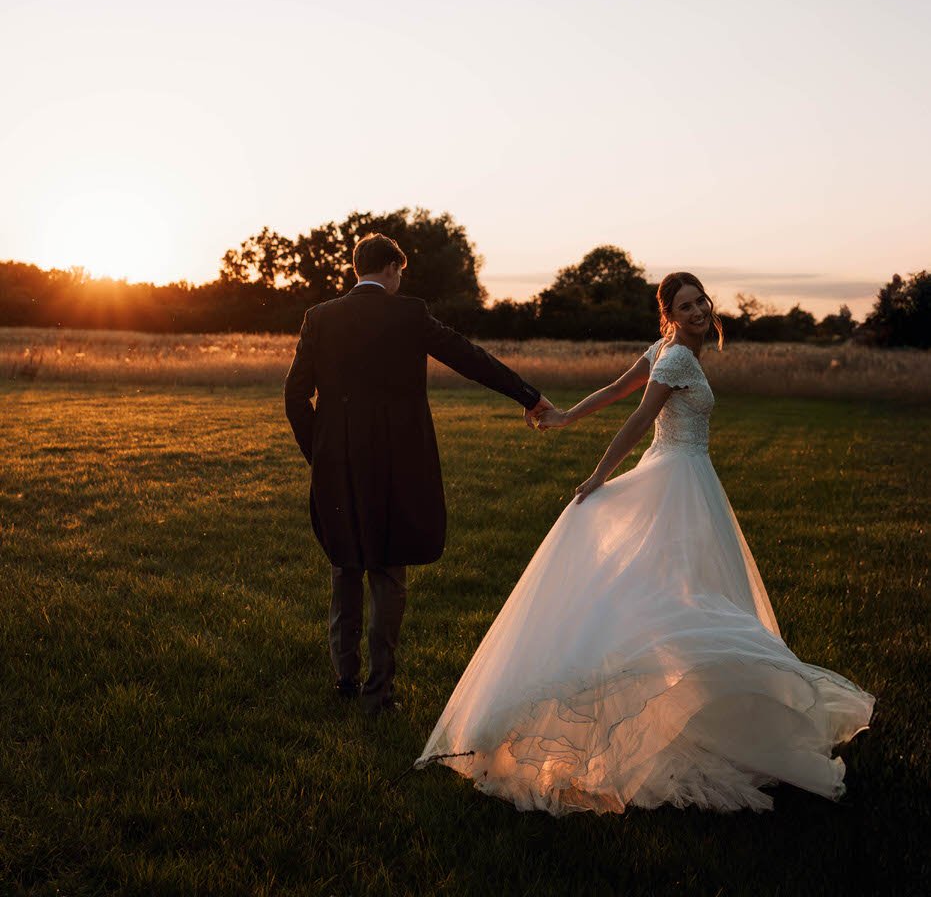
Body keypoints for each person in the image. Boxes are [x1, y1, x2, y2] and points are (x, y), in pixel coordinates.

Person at [415, 272, 874, 814]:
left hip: (688, 478)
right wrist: (598, 474)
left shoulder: (665, 350)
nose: (698, 309)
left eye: (701, 299)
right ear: (670, 315)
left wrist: (565, 416)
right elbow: (635, 412)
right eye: (685, 305)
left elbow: (614, 390)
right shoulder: (674, 356)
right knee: (684, 598)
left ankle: (685, 706)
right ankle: (653, 708)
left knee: (681, 596)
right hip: (676, 480)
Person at [284, 232, 553, 716]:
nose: (399, 279)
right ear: (390, 268)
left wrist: (320, 453)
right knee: (388, 571)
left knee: (345, 567)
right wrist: (528, 396)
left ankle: (344, 680)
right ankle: (377, 694)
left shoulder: (319, 318)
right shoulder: (407, 313)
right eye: (400, 272)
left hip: (337, 466)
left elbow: (295, 395)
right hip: (396, 465)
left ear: (355, 269)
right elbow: (470, 358)